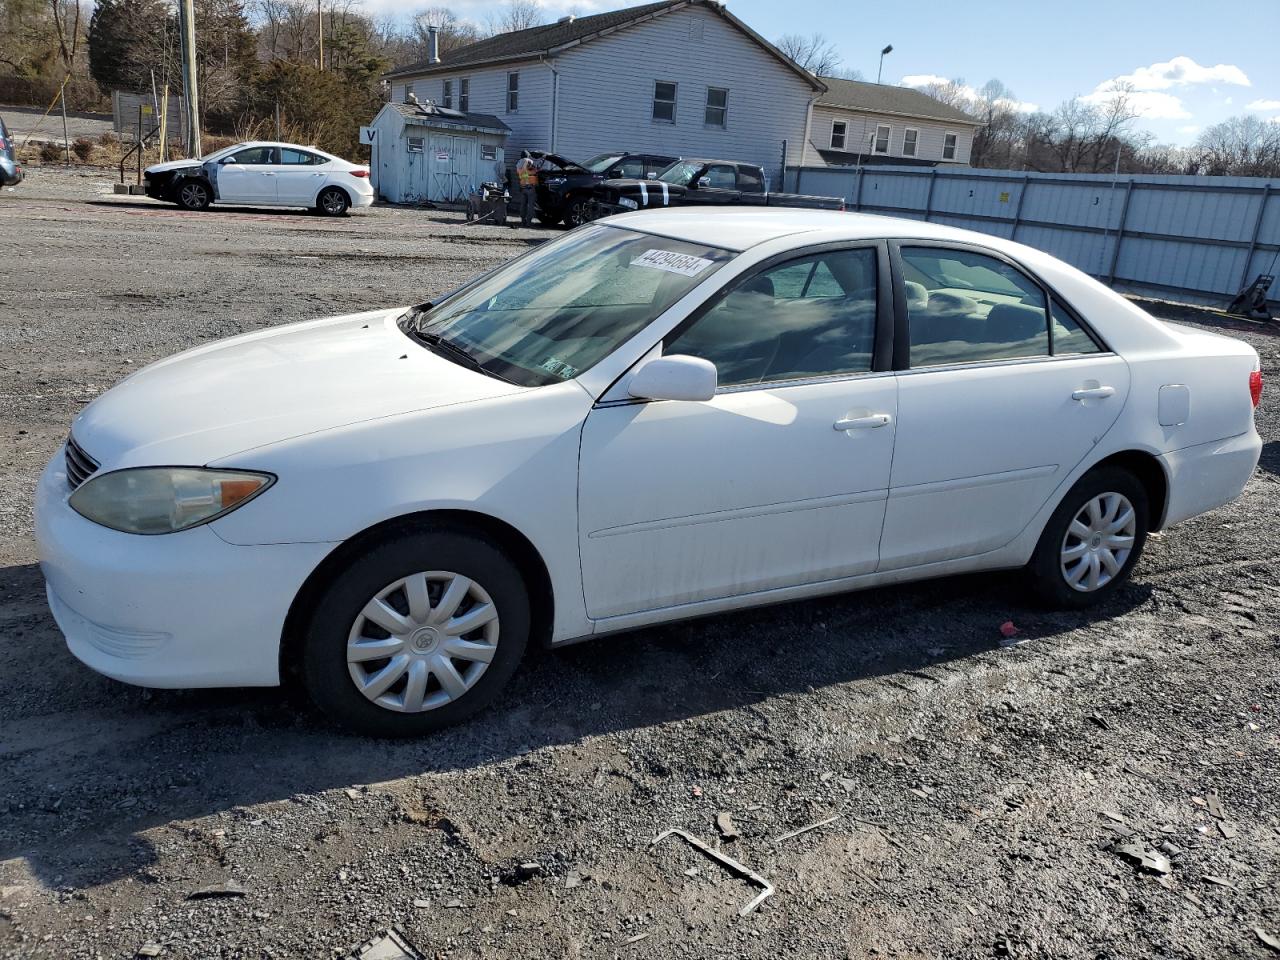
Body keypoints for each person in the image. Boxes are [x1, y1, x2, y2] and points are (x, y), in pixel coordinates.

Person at [515, 150, 539, 228]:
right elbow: (534, 171)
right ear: (528, 155)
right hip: (530, 187)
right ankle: (528, 222)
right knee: (530, 205)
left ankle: (522, 221)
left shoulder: (519, 163)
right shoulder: (530, 161)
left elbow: (519, 173)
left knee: (523, 205)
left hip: (523, 186)